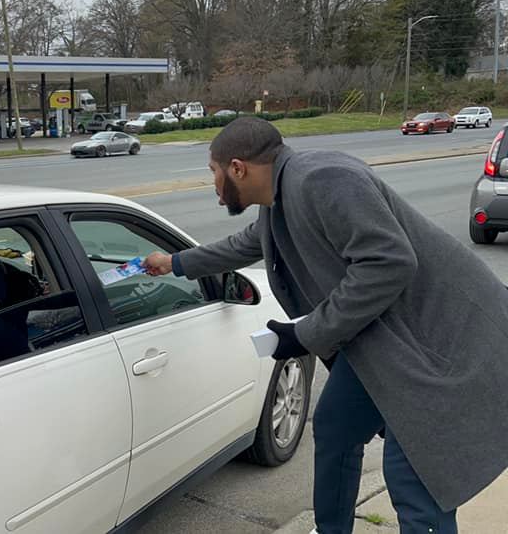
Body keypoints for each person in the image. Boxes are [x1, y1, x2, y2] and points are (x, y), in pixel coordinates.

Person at [143, 117, 508, 534]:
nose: (213, 184)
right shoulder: (281, 197)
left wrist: (305, 333)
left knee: (417, 480)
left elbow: (387, 263)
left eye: (214, 171)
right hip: (388, 342)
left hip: (443, 347)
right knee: (335, 426)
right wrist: (175, 263)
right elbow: (247, 244)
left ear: (238, 168)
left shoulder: (323, 179)